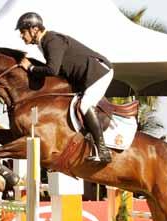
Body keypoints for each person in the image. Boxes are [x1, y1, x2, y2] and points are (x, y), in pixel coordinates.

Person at [16, 12, 113, 163]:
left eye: (23, 32)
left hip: (99, 73)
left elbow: (52, 70)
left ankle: (103, 151)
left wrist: (31, 69)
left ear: (34, 29)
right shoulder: (45, 43)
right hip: (87, 76)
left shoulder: (52, 40)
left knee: (85, 104)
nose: (21, 36)